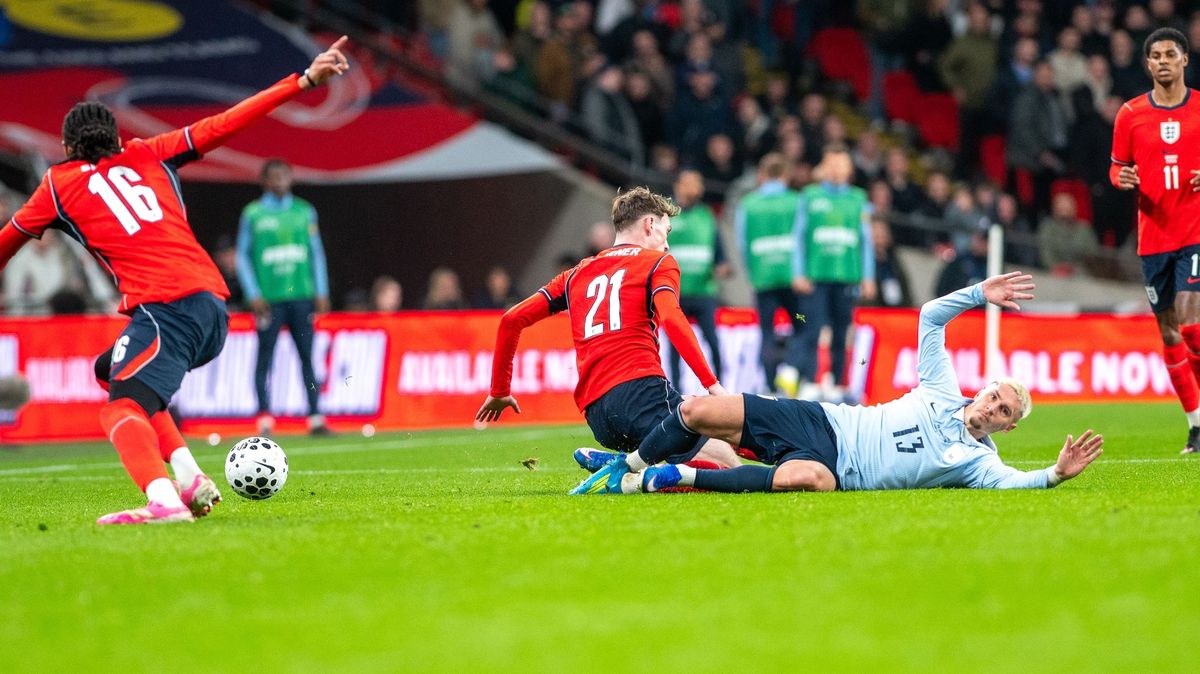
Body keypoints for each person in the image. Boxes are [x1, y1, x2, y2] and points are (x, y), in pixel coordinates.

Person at [0, 37, 351, 524]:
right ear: (117, 138)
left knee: (119, 409)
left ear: (66, 147)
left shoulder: (57, 186)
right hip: (211, 307)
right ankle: (189, 478)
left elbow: (6, 244)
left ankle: (163, 502)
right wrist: (305, 81)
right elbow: (226, 122)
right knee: (112, 372)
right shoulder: (150, 152)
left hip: (166, 310)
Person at [579, 272, 1104, 495]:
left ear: (1008, 428)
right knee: (697, 411)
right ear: (984, 389)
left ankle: (669, 476)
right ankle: (629, 464)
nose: (993, 407)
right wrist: (976, 293)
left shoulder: (977, 464)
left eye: (1005, 411)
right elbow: (929, 317)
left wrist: (1055, 475)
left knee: (808, 479)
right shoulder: (943, 389)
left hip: (838, 469)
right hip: (822, 420)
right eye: (995, 396)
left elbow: (1016, 483)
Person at [475, 187, 739, 493]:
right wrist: (712, 384)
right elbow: (672, 319)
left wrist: (499, 391)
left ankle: (624, 462)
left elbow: (511, 320)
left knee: (696, 417)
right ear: (649, 225)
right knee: (730, 468)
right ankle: (634, 474)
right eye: (666, 232)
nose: (667, 244)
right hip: (641, 395)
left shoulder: (575, 274)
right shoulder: (657, 262)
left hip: (598, 415)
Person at [1110, 27, 1200, 454]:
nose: (1163, 61)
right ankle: (1196, 425)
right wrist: (1122, 178)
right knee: (1169, 334)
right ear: (1147, 64)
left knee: (1191, 324)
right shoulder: (1130, 113)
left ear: (1185, 59)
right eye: (1156, 56)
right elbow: (1116, 167)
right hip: (1153, 240)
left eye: (1170, 54)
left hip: (1194, 232)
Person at [237, 158, 333, 438]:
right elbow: (242, 256)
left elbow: (316, 252)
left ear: (291, 178)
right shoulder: (253, 214)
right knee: (265, 356)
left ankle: (315, 417)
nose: (280, 181)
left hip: (300, 295)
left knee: (307, 356)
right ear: (265, 181)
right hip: (269, 299)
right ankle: (264, 418)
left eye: (284, 176)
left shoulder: (304, 211)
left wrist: (322, 290)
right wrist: (253, 293)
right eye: (274, 176)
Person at [793, 146, 876, 401]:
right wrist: (798, 272)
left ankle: (838, 384)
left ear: (849, 169)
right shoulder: (810, 195)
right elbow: (799, 236)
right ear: (824, 167)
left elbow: (866, 241)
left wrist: (868, 276)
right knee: (811, 328)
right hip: (816, 276)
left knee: (841, 332)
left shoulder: (859, 199)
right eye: (833, 164)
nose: (838, 169)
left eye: (842, 165)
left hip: (846, 276)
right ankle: (809, 381)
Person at [734, 153, 807, 396]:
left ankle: (770, 384)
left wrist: (752, 273)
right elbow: (804, 237)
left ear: (762, 175)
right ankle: (791, 373)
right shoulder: (797, 201)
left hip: (763, 278)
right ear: (785, 175)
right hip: (792, 279)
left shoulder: (748, 204)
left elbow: (742, 244)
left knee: (767, 331)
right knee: (802, 324)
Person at [664, 170, 729, 389]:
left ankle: (720, 388)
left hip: (704, 292)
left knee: (713, 343)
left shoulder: (706, 216)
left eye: (698, 183)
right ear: (678, 186)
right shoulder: (666, 215)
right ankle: (676, 391)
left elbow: (719, 252)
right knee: (676, 346)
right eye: (691, 183)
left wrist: (723, 266)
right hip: (675, 292)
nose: (697, 188)